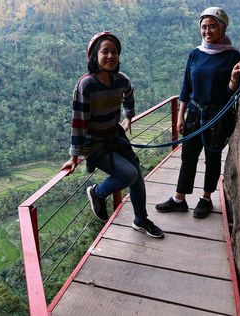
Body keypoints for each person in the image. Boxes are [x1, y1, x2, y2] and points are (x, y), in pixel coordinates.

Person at [62, 31, 164, 239]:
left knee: (137, 178)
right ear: (94, 56)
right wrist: (74, 156)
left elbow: (129, 94)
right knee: (129, 174)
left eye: (114, 52)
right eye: (105, 51)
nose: (111, 56)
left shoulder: (120, 80)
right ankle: (98, 192)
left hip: (115, 136)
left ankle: (140, 220)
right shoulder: (86, 84)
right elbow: (79, 121)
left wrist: (129, 116)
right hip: (95, 144)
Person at [156, 7, 240, 219]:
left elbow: (230, 93)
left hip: (217, 115)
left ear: (222, 28)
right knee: (188, 155)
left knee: (212, 156)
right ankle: (179, 198)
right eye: (203, 27)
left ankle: (206, 198)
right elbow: (186, 86)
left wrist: (234, 79)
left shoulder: (232, 55)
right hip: (194, 113)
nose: (207, 31)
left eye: (212, 26)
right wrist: (180, 115)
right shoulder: (195, 54)